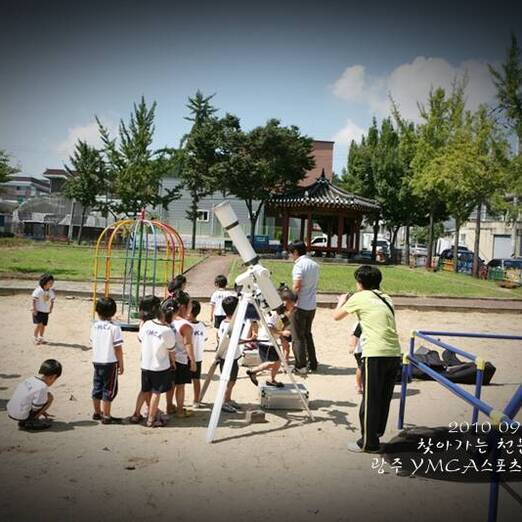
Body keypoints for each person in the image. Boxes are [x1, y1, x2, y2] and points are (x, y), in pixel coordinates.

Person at [333, 265, 401, 453]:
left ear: (360, 283)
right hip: (394, 353)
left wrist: (341, 301)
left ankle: (368, 443)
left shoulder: (359, 297)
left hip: (375, 353)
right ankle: (376, 435)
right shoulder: (387, 298)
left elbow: (336, 316)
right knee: (383, 399)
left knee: (370, 400)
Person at [131, 296, 176, 428]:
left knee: (144, 390)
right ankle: (151, 419)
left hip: (145, 365)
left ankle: (136, 414)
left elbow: (140, 338)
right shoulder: (167, 331)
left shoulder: (147, 324)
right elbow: (171, 350)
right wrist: (173, 362)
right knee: (156, 392)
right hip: (159, 366)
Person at [90, 297, 124, 424]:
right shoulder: (114, 328)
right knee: (108, 389)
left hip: (97, 361)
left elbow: (93, 342)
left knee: (97, 387)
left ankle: (97, 412)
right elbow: (118, 349)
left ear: (97, 311)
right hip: (110, 362)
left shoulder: (94, 326)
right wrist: (121, 363)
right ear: (113, 312)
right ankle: (107, 415)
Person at [288, 241, 319, 374]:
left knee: (297, 337)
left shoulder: (299, 265)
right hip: (311, 305)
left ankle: (300, 365)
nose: (290, 256)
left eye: (290, 253)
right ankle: (312, 362)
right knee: (307, 334)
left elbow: (296, 287)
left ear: (295, 252)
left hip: (300, 305)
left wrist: (290, 304)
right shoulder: (315, 264)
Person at [7, 359, 62, 431]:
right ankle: (31, 422)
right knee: (50, 397)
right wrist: (41, 410)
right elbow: (36, 407)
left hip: (11, 410)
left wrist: (42, 410)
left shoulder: (31, 378)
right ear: (53, 377)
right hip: (20, 415)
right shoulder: (42, 387)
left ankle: (26, 419)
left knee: (44, 396)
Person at [170, 291, 197, 418]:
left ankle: (169, 406)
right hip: (181, 359)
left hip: (169, 358)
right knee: (180, 386)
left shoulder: (169, 320)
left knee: (171, 384)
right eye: (190, 304)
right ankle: (180, 410)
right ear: (183, 307)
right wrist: (192, 360)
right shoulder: (185, 326)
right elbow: (188, 345)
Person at [246, 311, 285, 388]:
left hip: (270, 341)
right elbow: (269, 328)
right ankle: (253, 371)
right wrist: (282, 333)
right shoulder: (274, 314)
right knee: (274, 362)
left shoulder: (281, 315)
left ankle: (271, 379)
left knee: (278, 362)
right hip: (267, 341)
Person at [217, 295, 242, 413]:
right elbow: (231, 340)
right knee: (229, 381)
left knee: (232, 380)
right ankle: (224, 401)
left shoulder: (223, 322)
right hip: (227, 358)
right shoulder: (229, 326)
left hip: (232, 357)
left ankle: (228, 398)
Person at [187, 300, 206, 408]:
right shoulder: (202, 326)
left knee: (182, 382)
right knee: (196, 379)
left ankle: (195, 400)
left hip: (187, 357)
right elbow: (205, 338)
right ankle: (196, 401)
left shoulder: (185, 325)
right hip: (198, 357)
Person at [31, 272, 55, 345]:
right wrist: (34, 309)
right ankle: (35, 338)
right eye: (50, 283)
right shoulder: (38, 290)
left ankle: (41, 337)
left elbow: (52, 300)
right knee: (39, 324)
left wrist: (51, 308)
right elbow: (34, 300)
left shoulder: (50, 291)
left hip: (45, 311)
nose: (51, 284)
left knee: (43, 325)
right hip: (38, 311)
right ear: (44, 282)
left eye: (52, 282)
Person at [349, 323, 364, 394]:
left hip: (364, 349)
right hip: (359, 349)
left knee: (362, 367)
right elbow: (353, 335)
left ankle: (362, 385)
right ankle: (358, 385)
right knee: (361, 367)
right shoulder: (357, 324)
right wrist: (352, 346)